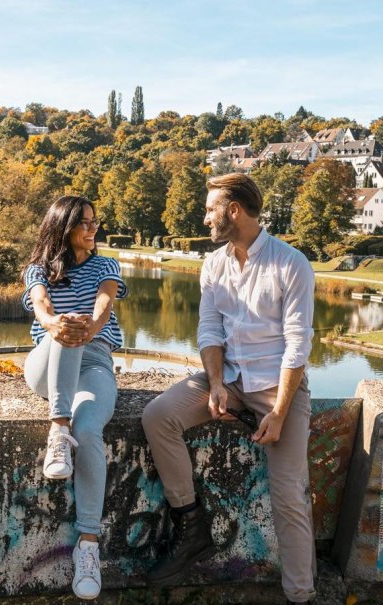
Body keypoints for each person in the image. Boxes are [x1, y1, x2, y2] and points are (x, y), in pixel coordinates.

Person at [141, 173, 316, 602]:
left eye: (209, 209)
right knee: (158, 415)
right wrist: (216, 383)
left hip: (280, 388)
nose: (204, 219)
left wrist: (278, 411)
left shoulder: (290, 263)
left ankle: (301, 595)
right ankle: (192, 522)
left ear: (233, 211)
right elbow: (208, 329)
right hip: (228, 380)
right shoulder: (214, 264)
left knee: (289, 495)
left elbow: (298, 345)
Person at [20, 195, 127, 600]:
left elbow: (104, 303)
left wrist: (92, 325)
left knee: (91, 431)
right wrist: (56, 324)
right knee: (64, 326)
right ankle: (57, 428)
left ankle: (88, 546)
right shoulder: (38, 270)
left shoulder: (105, 265)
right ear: (62, 227)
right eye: (84, 222)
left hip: (95, 362)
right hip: (45, 363)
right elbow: (42, 307)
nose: (93, 228)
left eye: (95, 221)